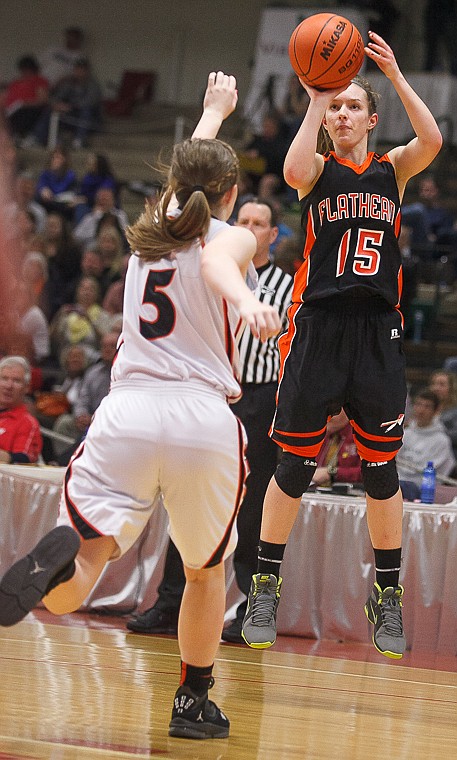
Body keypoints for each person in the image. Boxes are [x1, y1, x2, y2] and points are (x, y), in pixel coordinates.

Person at [0, 71, 281, 740]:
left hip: (126, 413)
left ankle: (53, 575)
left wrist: (210, 112)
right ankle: (192, 700)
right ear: (233, 197)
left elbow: (188, 178)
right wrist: (245, 301)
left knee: (90, 563)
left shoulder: (150, 228)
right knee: (205, 570)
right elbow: (216, 267)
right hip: (199, 418)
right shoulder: (229, 237)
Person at [241, 31, 443, 660]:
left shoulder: (392, 171)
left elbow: (432, 140)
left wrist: (397, 75)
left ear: (373, 118)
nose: (343, 114)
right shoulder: (318, 171)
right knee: (295, 464)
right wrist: (316, 96)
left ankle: (386, 592)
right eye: (336, 108)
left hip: (377, 329)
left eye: (353, 106)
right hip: (318, 327)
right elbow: (292, 170)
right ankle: (266, 583)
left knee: (382, 469)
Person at [126, 197, 293, 643]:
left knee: (252, 505)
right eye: (245, 221)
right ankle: (168, 600)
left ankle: (248, 613)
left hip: (263, 398)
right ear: (232, 224)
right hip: (211, 394)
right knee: (185, 496)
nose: (252, 228)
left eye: (261, 224)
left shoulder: (287, 285)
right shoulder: (206, 264)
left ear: (273, 236)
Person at [396, 388, 455, 499]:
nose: (421, 410)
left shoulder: (442, 441)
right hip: (398, 482)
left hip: (421, 490)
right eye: (418, 404)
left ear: (436, 411)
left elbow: (433, 474)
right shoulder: (405, 433)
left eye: (427, 406)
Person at [0, 355, 42, 464]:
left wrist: (7, 457)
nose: (9, 386)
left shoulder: (27, 423)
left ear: (27, 387)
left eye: (16, 381)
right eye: (4, 378)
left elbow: (23, 461)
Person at [311, 409, 362, 488]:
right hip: (315, 494)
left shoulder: (361, 433)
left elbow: (370, 472)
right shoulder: (317, 433)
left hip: (350, 495)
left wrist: (332, 473)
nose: (327, 418)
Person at [2, 55, 49, 141]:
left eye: (27, 70)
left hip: (27, 110)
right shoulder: (15, 81)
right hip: (10, 110)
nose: (25, 72)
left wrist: (23, 103)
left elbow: (42, 99)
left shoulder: (39, 80)